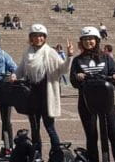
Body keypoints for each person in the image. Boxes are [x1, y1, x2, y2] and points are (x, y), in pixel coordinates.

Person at [15, 24, 73, 160]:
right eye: (35, 36)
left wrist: (69, 56)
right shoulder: (27, 53)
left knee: (50, 128)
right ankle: (37, 154)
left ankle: (57, 154)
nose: (38, 38)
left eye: (41, 36)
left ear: (45, 38)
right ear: (31, 38)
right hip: (32, 96)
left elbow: (63, 70)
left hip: (46, 96)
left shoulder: (50, 52)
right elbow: (21, 69)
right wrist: (14, 75)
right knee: (35, 129)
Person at [70, 26, 115, 162]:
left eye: (91, 39)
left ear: (97, 40)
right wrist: (78, 77)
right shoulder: (77, 60)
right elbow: (73, 81)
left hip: (107, 102)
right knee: (92, 136)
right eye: (85, 39)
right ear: (81, 41)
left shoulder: (106, 58)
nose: (88, 42)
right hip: (87, 102)